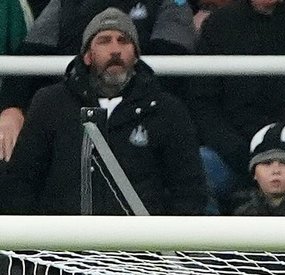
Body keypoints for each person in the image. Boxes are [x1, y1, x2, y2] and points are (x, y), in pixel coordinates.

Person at [6, 9, 207, 215]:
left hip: (142, 244)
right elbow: (22, 183)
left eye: (123, 41)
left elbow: (189, 190)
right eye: (104, 41)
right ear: (87, 56)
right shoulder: (50, 104)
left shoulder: (167, 110)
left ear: (136, 56)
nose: (115, 50)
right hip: (63, 243)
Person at [0, 0, 195, 161]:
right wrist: (11, 108)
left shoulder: (168, 4)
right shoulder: (65, 4)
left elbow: (172, 72)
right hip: (66, 114)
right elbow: (30, 56)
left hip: (144, 118)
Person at [190, 0, 285, 211]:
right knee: (199, 165)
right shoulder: (219, 24)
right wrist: (242, 153)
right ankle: (211, 243)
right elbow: (202, 102)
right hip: (234, 150)